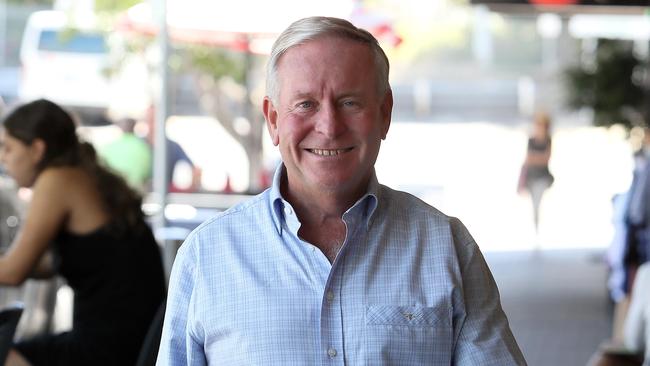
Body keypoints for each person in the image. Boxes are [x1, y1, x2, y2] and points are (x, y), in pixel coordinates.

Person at [157, 16, 526, 365]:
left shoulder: (446, 246)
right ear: (272, 119)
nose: (329, 126)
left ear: (385, 113)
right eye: (306, 104)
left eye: (350, 102)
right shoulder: (208, 256)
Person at [0, 99, 166, 366]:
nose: (2, 158)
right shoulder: (82, 176)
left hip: (108, 346)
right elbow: (45, 264)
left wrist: (9, 261)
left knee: (5, 353)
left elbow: (13, 272)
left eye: (7, 148)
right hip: (133, 337)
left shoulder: (57, 180)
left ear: (37, 149)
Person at [519, 111, 554, 232]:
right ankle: (536, 229)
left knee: (538, 201)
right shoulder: (531, 140)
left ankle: (538, 229)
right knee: (534, 204)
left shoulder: (548, 140)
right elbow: (528, 158)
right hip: (531, 177)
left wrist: (535, 158)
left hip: (543, 177)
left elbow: (546, 158)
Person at [98, 117, 152, 192]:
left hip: (114, 189)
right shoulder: (143, 146)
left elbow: (103, 167)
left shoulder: (110, 147)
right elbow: (147, 170)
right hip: (136, 190)